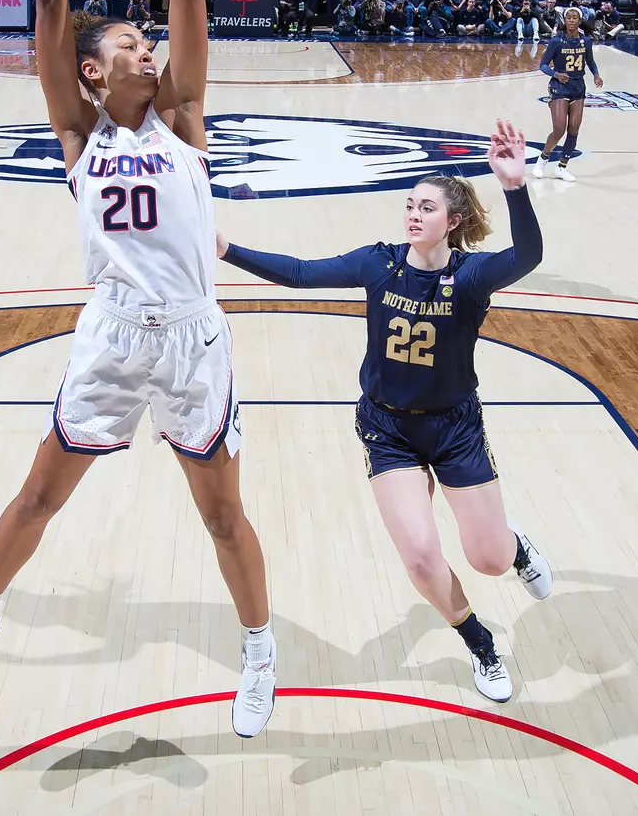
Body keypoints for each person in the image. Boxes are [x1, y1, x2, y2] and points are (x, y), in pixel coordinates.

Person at [0, 0, 278, 740]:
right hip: (113, 334)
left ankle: (258, 653)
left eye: (148, 40)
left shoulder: (185, 119)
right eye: (130, 41)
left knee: (221, 515)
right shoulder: (77, 130)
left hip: (193, 339)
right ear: (92, 68)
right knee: (40, 491)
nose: (148, 48)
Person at [217, 121, 550, 702]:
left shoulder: (470, 278)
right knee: (421, 558)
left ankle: (513, 545)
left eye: (427, 207)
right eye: (409, 204)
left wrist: (515, 187)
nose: (413, 214)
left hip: (454, 429)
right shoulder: (378, 263)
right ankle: (479, 642)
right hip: (388, 428)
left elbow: (528, 253)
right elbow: (299, 274)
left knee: (489, 560)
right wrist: (227, 250)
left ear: (454, 221)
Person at [534, 7, 603, 183]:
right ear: (564, 21)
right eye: (569, 18)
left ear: (580, 21)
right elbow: (543, 65)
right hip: (559, 87)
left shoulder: (586, 41)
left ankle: (561, 167)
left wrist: (596, 74)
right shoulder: (557, 41)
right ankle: (543, 159)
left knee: (574, 129)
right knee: (559, 128)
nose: (572, 21)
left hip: (578, 87)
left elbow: (590, 61)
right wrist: (556, 74)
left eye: (575, 18)